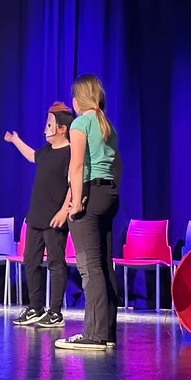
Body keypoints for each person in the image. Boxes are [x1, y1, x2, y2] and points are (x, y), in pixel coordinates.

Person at [55, 74, 121, 352]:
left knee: (90, 267)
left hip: (90, 194)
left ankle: (93, 335)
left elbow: (77, 165)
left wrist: (76, 201)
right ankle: (107, 333)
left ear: (78, 99)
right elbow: (117, 165)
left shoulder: (81, 123)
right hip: (109, 194)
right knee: (104, 265)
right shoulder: (107, 125)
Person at [5, 102, 74, 328]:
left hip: (55, 219)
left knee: (56, 263)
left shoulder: (70, 153)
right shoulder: (45, 152)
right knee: (30, 261)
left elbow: (74, 184)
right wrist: (16, 140)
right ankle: (35, 307)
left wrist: (64, 210)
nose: (46, 129)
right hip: (35, 216)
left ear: (62, 128)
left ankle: (55, 312)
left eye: (50, 124)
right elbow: (32, 155)